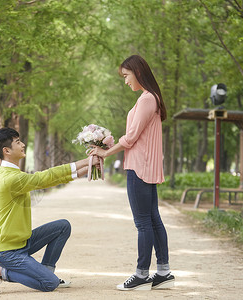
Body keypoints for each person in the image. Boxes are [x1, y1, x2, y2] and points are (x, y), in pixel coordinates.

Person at [89, 55, 175, 291]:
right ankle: (164, 272)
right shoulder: (149, 99)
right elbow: (137, 136)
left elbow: (131, 137)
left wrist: (106, 152)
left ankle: (141, 275)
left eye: (126, 76)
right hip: (145, 165)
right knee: (153, 219)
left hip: (139, 167)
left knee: (143, 223)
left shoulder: (147, 99)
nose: (125, 81)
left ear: (137, 72)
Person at [0, 127, 99, 294]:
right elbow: (46, 178)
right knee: (49, 284)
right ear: (6, 150)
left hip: (22, 242)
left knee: (63, 226)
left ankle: (45, 272)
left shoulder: (13, 173)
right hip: (6, 252)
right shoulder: (10, 178)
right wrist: (86, 161)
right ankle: (0, 271)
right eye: (18, 142)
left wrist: (89, 166)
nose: (23, 145)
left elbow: (51, 179)